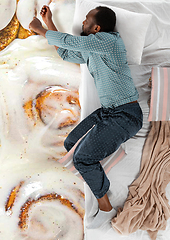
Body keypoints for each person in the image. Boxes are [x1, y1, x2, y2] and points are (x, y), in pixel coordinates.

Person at [29, 5, 143, 229]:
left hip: (125, 115)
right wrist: (49, 22)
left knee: (82, 159)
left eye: (86, 20)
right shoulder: (93, 48)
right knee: (71, 144)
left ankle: (106, 207)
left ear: (97, 28)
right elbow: (65, 51)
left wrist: (40, 29)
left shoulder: (108, 42)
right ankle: (107, 155)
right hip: (109, 111)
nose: (82, 22)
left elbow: (72, 42)